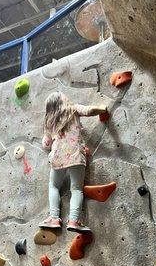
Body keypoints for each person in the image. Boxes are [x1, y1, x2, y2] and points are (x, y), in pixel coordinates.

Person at [39, 91, 108, 233]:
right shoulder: (73, 109)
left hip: (58, 157)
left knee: (54, 186)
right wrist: (102, 108)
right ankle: (74, 221)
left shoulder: (49, 121)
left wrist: (51, 139)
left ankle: (53, 218)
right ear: (63, 100)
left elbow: (46, 144)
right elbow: (89, 110)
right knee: (76, 189)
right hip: (76, 155)